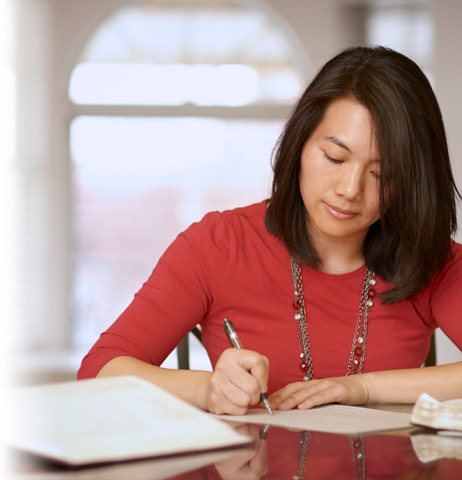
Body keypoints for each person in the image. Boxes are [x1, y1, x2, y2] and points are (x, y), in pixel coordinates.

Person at [78, 45, 462, 415]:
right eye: (334, 157)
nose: (350, 190)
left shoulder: (432, 259)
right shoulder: (219, 245)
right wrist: (206, 390)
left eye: (382, 174)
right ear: (300, 142)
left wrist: (361, 388)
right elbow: (97, 373)